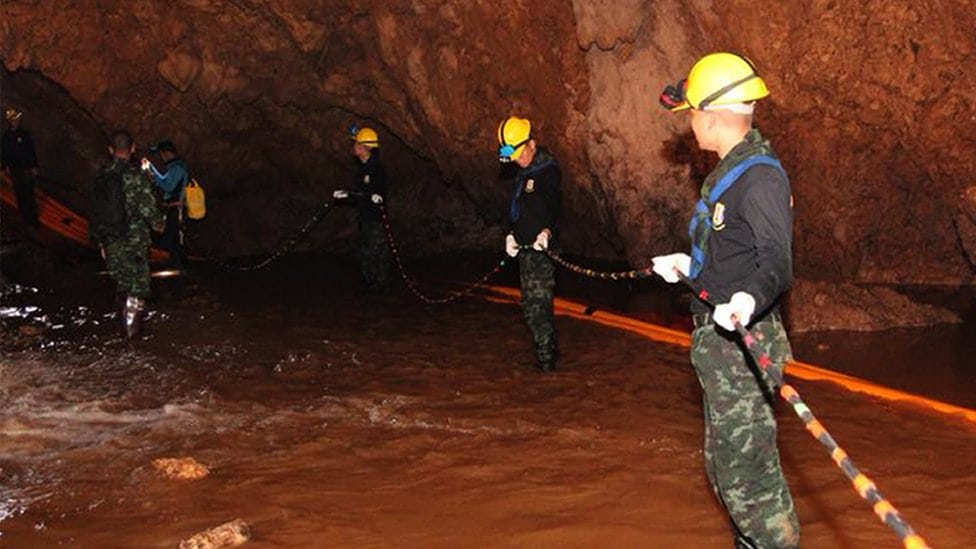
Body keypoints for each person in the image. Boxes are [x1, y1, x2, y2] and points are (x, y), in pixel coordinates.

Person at [652, 52, 799, 548]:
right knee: (727, 475)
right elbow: (733, 252)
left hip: (745, 344)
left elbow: (775, 262)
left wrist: (746, 299)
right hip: (721, 346)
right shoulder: (732, 172)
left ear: (712, 117)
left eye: (692, 111)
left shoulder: (760, 178)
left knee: (750, 482)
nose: (689, 121)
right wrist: (689, 269)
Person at [497, 116, 562, 372]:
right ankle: (548, 352)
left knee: (537, 308)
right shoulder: (523, 173)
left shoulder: (548, 171)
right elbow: (520, 208)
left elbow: (555, 208)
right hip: (525, 249)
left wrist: (546, 233)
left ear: (532, 144)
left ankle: (547, 365)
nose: (518, 160)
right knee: (530, 306)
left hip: (542, 249)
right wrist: (511, 234)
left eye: (521, 154)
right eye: (513, 157)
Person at [91, 130, 165, 339]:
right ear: (132, 149)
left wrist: (101, 243)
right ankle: (133, 340)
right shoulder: (137, 177)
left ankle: (123, 332)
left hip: (111, 240)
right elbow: (148, 210)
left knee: (122, 284)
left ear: (110, 150)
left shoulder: (102, 177)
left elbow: (96, 212)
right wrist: (160, 224)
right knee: (137, 287)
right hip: (134, 241)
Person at [332, 125, 392, 293]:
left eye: (356, 144)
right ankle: (371, 299)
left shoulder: (376, 169)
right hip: (365, 220)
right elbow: (362, 193)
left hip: (376, 221)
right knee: (366, 257)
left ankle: (383, 297)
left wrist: (366, 196)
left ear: (364, 147)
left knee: (377, 258)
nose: (353, 147)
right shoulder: (362, 169)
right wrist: (347, 195)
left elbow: (377, 194)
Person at [141, 140, 189, 268]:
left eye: (161, 154)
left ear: (166, 153)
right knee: (172, 237)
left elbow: (168, 186)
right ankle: (175, 263)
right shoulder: (175, 167)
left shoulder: (177, 168)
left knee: (175, 238)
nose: (161, 158)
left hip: (176, 208)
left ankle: (178, 265)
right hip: (173, 207)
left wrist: (152, 172)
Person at [1, 108, 40, 227]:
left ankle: (33, 220)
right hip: (15, 170)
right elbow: (4, 153)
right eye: (13, 120)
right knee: (20, 194)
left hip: (26, 169)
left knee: (29, 194)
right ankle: (25, 219)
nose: (15, 122)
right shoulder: (6, 137)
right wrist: (3, 168)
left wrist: (34, 166)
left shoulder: (25, 135)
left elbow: (31, 151)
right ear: (10, 121)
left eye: (17, 120)